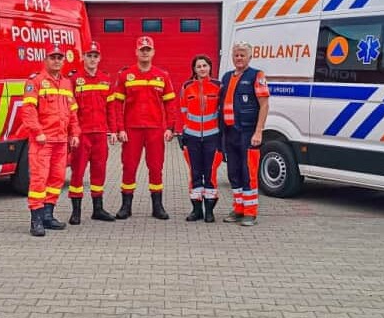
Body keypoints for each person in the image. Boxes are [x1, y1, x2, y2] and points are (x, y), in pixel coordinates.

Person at [110, 35, 179, 220]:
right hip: (131, 129)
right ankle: (126, 206)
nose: (145, 52)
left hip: (155, 129)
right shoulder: (125, 75)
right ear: (136, 52)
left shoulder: (162, 76)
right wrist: (120, 128)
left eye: (148, 49)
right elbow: (117, 104)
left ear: (153, 52)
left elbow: (170, 103)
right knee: (129, 167)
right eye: (142, 50)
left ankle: (158, 206)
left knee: (156, 167)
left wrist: (170, 127)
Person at [18, 45, 80, 237]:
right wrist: (38, 132)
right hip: (42, 141)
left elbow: (72, 112)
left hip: (61, 141)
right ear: (45, 60)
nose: (56, 61)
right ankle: (36, 220)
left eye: (59, 58)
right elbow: (28, 110)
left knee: (56, 179)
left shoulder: (67, 83)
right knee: (39, 179)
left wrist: (75, 133)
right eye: (53, 58)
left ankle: (48, 215)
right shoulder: (35, 81)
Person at [217, 42, 269, 226]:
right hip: (230, 133)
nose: (239, 58)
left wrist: (258, 131)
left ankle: (250, 212)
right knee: (233, 172)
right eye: (236, 55)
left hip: (248, 133)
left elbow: (264, 105)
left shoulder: (256, 75)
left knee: (248, 173)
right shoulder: (226, 77)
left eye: (242, 55)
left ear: (249, 57)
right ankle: (238, 209)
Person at [67, 41, 116, 224]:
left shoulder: (105, 79)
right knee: (77, 172)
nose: (92, 59)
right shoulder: (74, 80)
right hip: (82, 134)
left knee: (99, 171)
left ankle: (98, 209)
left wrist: (113, 130)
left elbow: (111, 108)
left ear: (100, 58)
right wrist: (72, 133)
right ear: (83, 57)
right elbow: (70, 110)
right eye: (89, 56)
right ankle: (76, 212)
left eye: (95, 56)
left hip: (100, 133)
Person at [178, 54, 223, 223]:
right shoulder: (187, 86)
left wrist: (222, 136)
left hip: (212, 137)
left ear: (210, 67)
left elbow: (222, 112)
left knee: (210, 173)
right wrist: (184, 132)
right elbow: (183, 111)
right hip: (192, 138)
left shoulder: (218, 86)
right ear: (194, 70)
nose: (202, 69)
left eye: (205, 65)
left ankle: (209, 211)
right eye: (199, 66)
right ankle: (196, 210)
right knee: (195, 173)